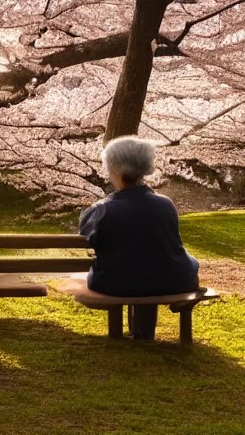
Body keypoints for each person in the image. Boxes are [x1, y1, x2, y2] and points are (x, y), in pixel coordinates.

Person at [79, 136, 200, 340]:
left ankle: (133, 334)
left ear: (114, 169)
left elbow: (86, 238)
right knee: (151, 267)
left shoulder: (102, 209)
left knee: (134, 269)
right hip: (170, 281)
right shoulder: (165, 204)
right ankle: (144, 335)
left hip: (115, 284)